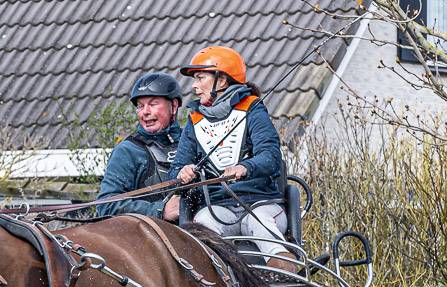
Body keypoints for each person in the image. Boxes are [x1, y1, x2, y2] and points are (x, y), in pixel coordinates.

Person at [163, 46, 297, 272]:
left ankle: (285, 276)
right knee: (203, 225)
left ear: (222, 80)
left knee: (261, 223)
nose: (194, 86)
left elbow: (271, 157)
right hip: (218, 208)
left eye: (200, 78)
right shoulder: (194, 121)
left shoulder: (253, 109)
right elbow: (176, 168)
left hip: (260, 205)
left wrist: (245, 167)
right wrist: (181, 172)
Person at [95, 72, 183, 218]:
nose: (145, 112)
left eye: (153, 104)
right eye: (140, 106)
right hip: (148, 236)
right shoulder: (127, 151)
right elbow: (106, 205)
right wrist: (160, 211)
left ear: (173, 106)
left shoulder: (192, 140)